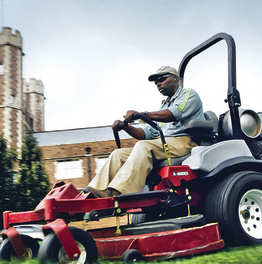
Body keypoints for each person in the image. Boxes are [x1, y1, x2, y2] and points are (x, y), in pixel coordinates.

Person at [84, 65, 203, 197]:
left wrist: (142, 114)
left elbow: (173, 114)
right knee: (118, 154)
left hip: (185, 142)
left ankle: (120, 192)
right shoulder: (164, 105)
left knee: (143, 146)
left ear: (175, 78)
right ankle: (93, 193)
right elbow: (145, 133)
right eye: (155, 82)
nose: (158, 84)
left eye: (161, 79)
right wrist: (126, 127)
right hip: (164, 143)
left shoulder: (188, 94)